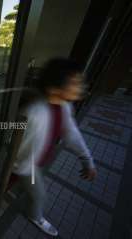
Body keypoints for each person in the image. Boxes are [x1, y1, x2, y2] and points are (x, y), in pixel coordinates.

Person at [11, 58, 97, 236]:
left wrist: (86, 159)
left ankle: (17, 188)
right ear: (54, 88)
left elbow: (71, 133)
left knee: (26, 187)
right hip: (27, 167)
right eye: (74, 83)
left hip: (33, 163)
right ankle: (35, 216)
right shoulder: (33, 113)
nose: (80, 87)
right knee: (40, 195)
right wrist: (22, 169)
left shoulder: (64, 106)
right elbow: (15, 149)